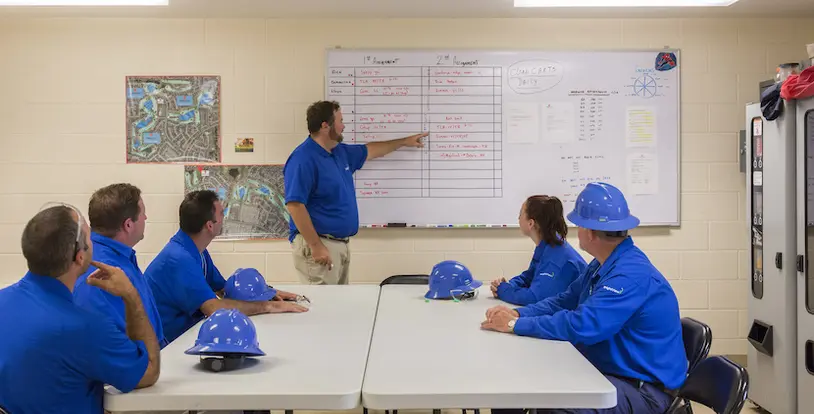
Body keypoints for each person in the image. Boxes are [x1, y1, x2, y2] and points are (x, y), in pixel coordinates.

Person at [481, 182, 687, 414]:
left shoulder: (629, 275)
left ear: (588, 232)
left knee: (556, 404)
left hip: (642, 391)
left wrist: (514, 324)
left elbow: (583, 324)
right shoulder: (602, 265)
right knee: (517, 380)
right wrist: (518, 314)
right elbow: (564, 300)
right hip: (612, 372)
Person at [0, 203, 160, 414]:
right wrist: (131, 297)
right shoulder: (86, 328)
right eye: (89, 234)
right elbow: (149, 370)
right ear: (80, 257)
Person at [284, 100, 427, 285]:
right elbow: (295, 205)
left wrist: (404, 142)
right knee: (324, 308)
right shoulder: (303, 159)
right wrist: (316, 246)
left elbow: (371, 150)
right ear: (325, 125)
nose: (343, 126)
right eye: (340, 121)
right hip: (319, 245)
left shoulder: (339, 152)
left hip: (339, 245)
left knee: (340, 306)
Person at [146, 190, 308, 344]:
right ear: (210, 225)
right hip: (166, 345)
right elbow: (213, 308)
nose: (224, 218)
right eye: (221, 214)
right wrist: (269, 306)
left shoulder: (195, 250)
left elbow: (224, 289)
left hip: (183, 333)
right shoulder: (179, 259)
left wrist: (267, 293)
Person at [73, 183, 167, 347]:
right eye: (143, 213)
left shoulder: (120, 257)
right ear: (128, 225)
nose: (145, 218)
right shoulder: (104, 271)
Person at [490, 195, 587, 306]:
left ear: (531, 223)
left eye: (520, 214)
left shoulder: (555, 257)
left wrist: (503, 291)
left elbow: (534, 298)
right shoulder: (547, 245)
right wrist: (509, 285)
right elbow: (529, 276)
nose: (518, 218)